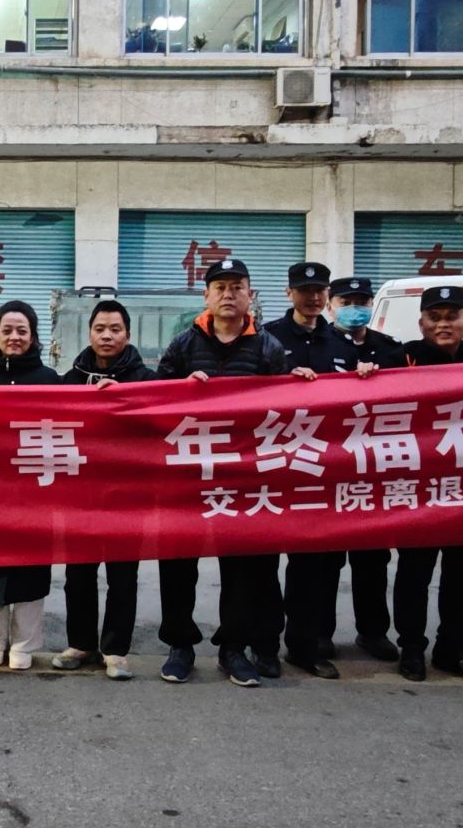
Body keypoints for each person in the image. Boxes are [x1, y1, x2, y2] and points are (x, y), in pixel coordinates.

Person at [155, 257, 304, 688]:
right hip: (189, 474)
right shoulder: (183, 344)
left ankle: (233, 647)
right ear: (206, 296)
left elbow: (285, 411)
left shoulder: (268, 348)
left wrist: (300, 384)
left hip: (244, 477)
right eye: (220, 287)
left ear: (249, 295)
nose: (228, 295)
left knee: (243, 567)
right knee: (178, 564)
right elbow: (155, 400)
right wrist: (181, 388)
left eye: (237, 287)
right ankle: (180, 645)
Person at [375, 285, 463, 685]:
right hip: (419, 488)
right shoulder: (401, 359)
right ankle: (412, 648)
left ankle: (453, 648)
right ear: (421, 323)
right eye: (435, 317)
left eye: (451, 317)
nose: (443, 324)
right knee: (415, 572)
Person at [282, 276, 400, 679]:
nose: (355, 308)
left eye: (361, 301)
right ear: (332, 306)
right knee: (320, 560)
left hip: (369, 466)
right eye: (347, 301)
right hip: (318, 466)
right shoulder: (301, 341)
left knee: (373, 557)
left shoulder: (385, 348)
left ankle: (373, 631)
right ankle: (316, 636)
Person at [0, 300, 64, 671]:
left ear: (33, 336)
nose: (14, 337)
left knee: (30, 569)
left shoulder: (51, 380)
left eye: (22, 330)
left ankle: (24, 644)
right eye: (7, 330)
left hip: (33, 491)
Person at [54, 299, 151, 680]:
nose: (107, 335)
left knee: (122, 576)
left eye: (115, 329)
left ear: (128, 333)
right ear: (89, 333)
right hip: (81, 494)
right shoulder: (69, 380)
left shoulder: (148, 381)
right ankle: (81, 644)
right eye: (100, 329)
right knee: (78, 574)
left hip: (128, 494)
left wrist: (124, 397)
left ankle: (115, 650)